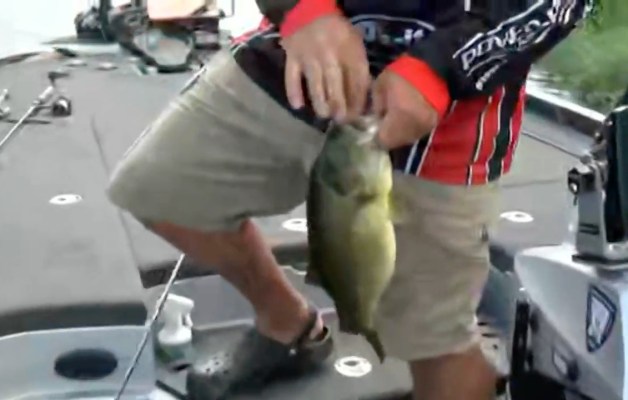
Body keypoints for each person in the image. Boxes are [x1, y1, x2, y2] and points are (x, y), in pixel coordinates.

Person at [106, 0, 592, 399]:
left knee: (437, 338)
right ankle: (289, 325)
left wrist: (443, 67)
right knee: (158, 186)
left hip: (450, 99)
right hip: (296, 54)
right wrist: (298, 9)